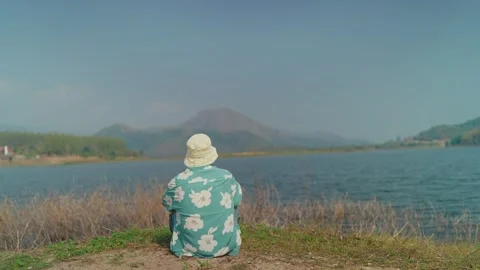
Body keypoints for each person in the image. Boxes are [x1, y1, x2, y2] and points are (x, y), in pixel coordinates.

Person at [162, 133, 243, 258]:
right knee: (233, 205)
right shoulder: (226, 176)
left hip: (188, 248)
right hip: (226, 248)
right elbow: (238, 200)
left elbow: (167, 204)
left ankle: (184, 242)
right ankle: (228, 238)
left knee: (174, 209)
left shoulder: (177, 181)